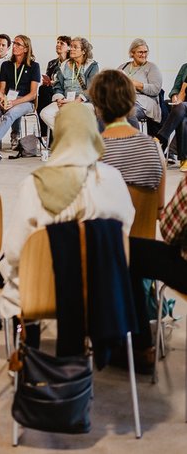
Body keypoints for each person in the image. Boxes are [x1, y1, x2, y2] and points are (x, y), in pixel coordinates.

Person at [0, 104, 134, 329]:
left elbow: (16, 251)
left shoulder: (34, 184)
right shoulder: (113, 179)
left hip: (42, 291)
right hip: (102, 290)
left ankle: (28, 354)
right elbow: (125, 231)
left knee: (16, 266)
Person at [90, 68, 187, 370]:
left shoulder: (93, 153)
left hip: (102, 257)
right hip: (143, 248)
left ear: (96, 106)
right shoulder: (152, 148)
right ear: (131, 101)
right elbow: (160, 213)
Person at [0, 35, 41, 162]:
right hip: (8, 99)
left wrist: (13, 102)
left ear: (26, 49)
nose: (14, 46)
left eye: (18, 44)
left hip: (26, 101)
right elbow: (1, 90)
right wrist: (3, 99)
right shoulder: (6, 65)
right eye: (14, 43)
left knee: (11, 113)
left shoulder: (34, 66)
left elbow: (33, 94)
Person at [39, 36, 98, 132]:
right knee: (45, 113)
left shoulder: (92, 65)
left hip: (84, 102)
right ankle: (67, 135)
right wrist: (60, 99)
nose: (71, 49)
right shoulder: (64, 65)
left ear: (83, 51)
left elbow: (92, 87)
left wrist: (76, 101)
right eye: (71, 46)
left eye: (75, 47)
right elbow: (58, 85)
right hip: (65, 101)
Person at [117, 38, 162, 132]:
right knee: (104, 112)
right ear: (132, 53)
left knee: (128, 112)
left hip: (142, 103)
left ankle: (135, 143)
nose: (144, 55)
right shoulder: (123, 67)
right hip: (123, 100)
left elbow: (156, 89)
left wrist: (135, 84)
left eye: (145, 52)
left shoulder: (151, 67)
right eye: (140, 52)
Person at [38, 35, 71, 138]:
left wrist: (54, 83)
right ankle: (45, 133)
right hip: (51, 92)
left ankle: (49, 135)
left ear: (69, 47)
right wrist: (48, 82)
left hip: (66, 92)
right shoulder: (52, 63)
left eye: (62, 43)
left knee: (45, 92)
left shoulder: (72, 63)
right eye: (57, 42)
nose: (58, 45)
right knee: (43, 89)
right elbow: (49, 78)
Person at [155, 61, 187, 170]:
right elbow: (176, 87)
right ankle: (183, 159)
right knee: (162, 105)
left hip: (183, 105)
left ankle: (159, 139)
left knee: (181, 110)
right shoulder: (185, 67)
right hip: (181, 104)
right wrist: (174, 96)